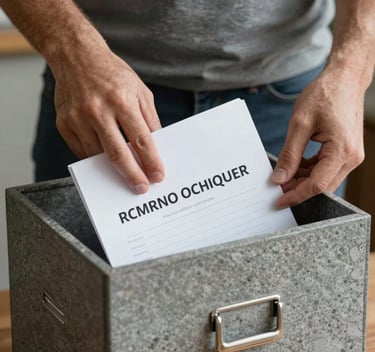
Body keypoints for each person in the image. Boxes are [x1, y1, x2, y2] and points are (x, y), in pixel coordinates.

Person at [1, 1, 374, 208]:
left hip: (290, 103)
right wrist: (72, 52)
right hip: (98, 99)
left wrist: (352, 68)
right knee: (76, 320)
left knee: (295, 318)